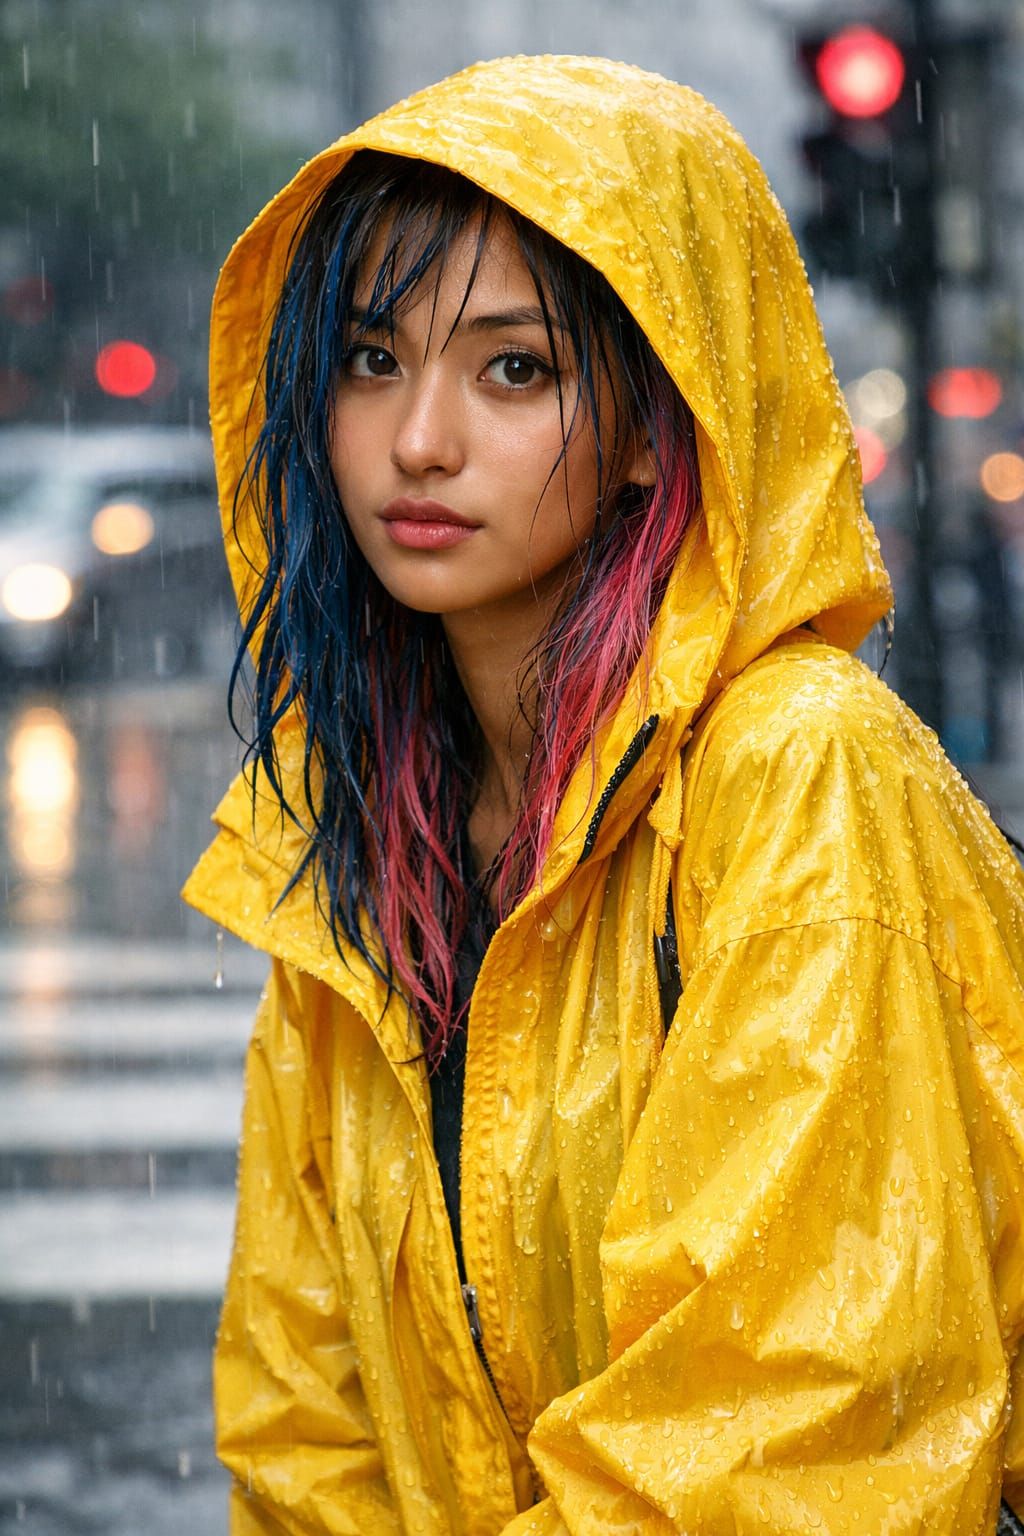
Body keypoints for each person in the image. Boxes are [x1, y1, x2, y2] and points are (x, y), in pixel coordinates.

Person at [182, 54, 1024, 1535]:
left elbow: (780, 1426)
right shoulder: (353, 843)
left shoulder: (797, 776)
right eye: (374, 358)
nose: (419, 438)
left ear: (656, 425)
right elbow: (300, 1421)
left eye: (515, 367)